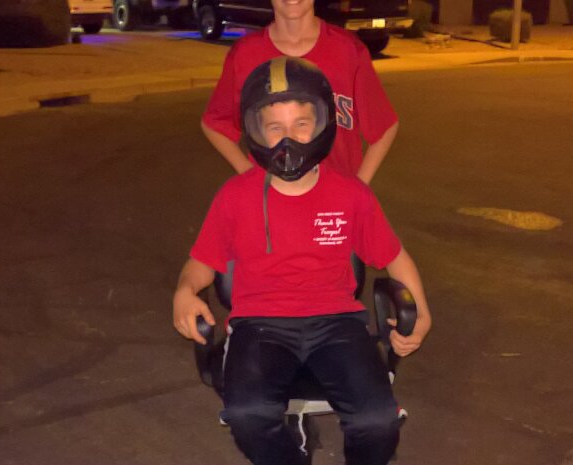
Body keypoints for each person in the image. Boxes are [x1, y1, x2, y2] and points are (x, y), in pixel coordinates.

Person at [174, 57, 431, 465]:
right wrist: (185, 291)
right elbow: (201, 262)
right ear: (255, 131)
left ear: (322, 124)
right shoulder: (235, 196)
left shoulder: (351, 194)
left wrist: (422, 313)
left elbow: (395, 257)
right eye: (274, 127)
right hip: (260, 324)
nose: (288, 139)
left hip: (337, 323)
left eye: (301, 124)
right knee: (248, 414)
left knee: (377, 422)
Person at [201, 0, 398, 184]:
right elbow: (215, 123)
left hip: (336, 198)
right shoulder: (245, 54)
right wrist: (249, 175)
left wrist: (359, 188)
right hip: (272, 200)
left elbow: (384, 126)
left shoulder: (347, 49)